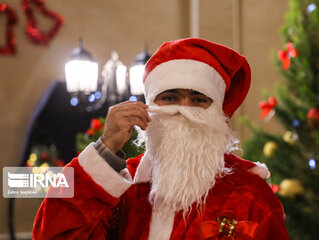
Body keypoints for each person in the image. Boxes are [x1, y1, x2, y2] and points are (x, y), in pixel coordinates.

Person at [33, 38, 289, 240]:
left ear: (217, 113)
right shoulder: (122, 185)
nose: (183, 110)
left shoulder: (250, 193)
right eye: (170, 98)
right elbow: (51, 233)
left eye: (198, 100)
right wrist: (105, 150)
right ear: (148, 106)